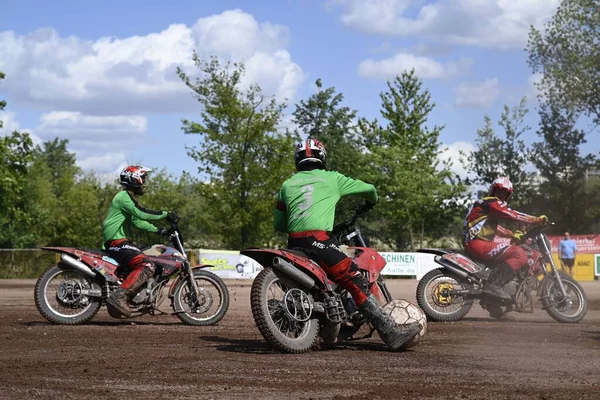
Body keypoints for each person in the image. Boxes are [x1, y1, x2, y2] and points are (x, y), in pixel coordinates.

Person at [273, 138, 421, 351]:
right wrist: (373, 201)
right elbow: (370, 189)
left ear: (297, 160)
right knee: (354, 279)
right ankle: (392, 333)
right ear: (322, 157)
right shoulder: (332, 178)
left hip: (294, 244)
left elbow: (278, 223)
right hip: (318, 240)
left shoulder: (286, 185)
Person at [462, 177, 548, 317]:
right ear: (493, 189)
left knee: (509, 255)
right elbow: (512, 214)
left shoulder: (486, 206)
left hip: (477, 242)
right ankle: (493, 285)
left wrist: (512, 235)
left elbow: (494, 228)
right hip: (477, 243)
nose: (501, 195)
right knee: (519, 254)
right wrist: (535, 220)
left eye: (504, 193)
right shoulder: (491, 202)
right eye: (499, 191)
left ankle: (496, 305)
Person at [102, 165, 177, 317]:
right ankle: (120, 296)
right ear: (134, 179)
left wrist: (159, 230)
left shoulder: (126, 199)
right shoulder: (123, 197)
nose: (144, 183)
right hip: (117, 242)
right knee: (148, 265)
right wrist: (165, 214)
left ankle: (127, 297)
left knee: (143, 259)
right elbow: (141, 213)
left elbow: (137, 221)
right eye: (143, 179)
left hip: (120, 242)